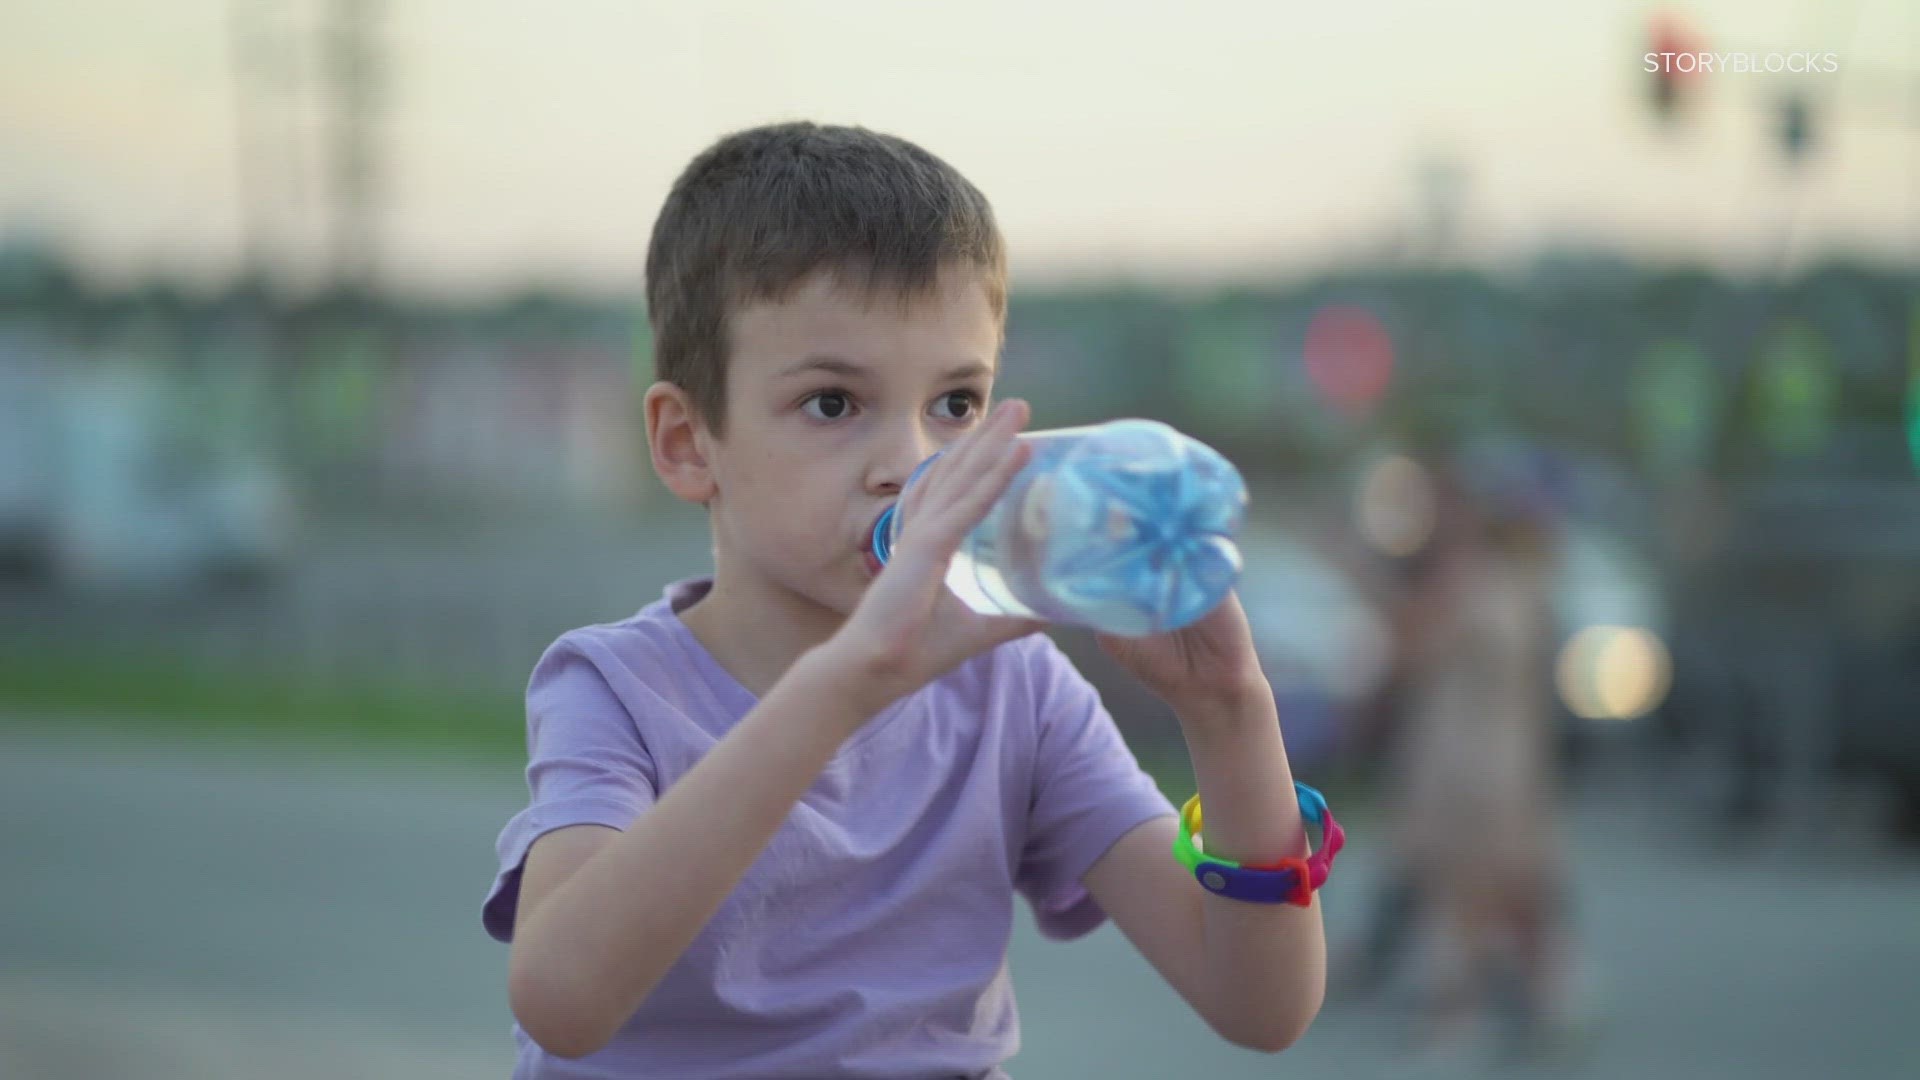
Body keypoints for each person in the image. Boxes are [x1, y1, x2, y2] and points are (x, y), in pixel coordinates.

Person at [480, 122, 1328, 1079]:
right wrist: (843, 687)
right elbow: (561, 999)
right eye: (834, 404)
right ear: (687, 442)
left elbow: (1261, 1005)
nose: (912, 466)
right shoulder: (619, 690)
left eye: (957, 406)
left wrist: (1230, 711)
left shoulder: (1016, 691)